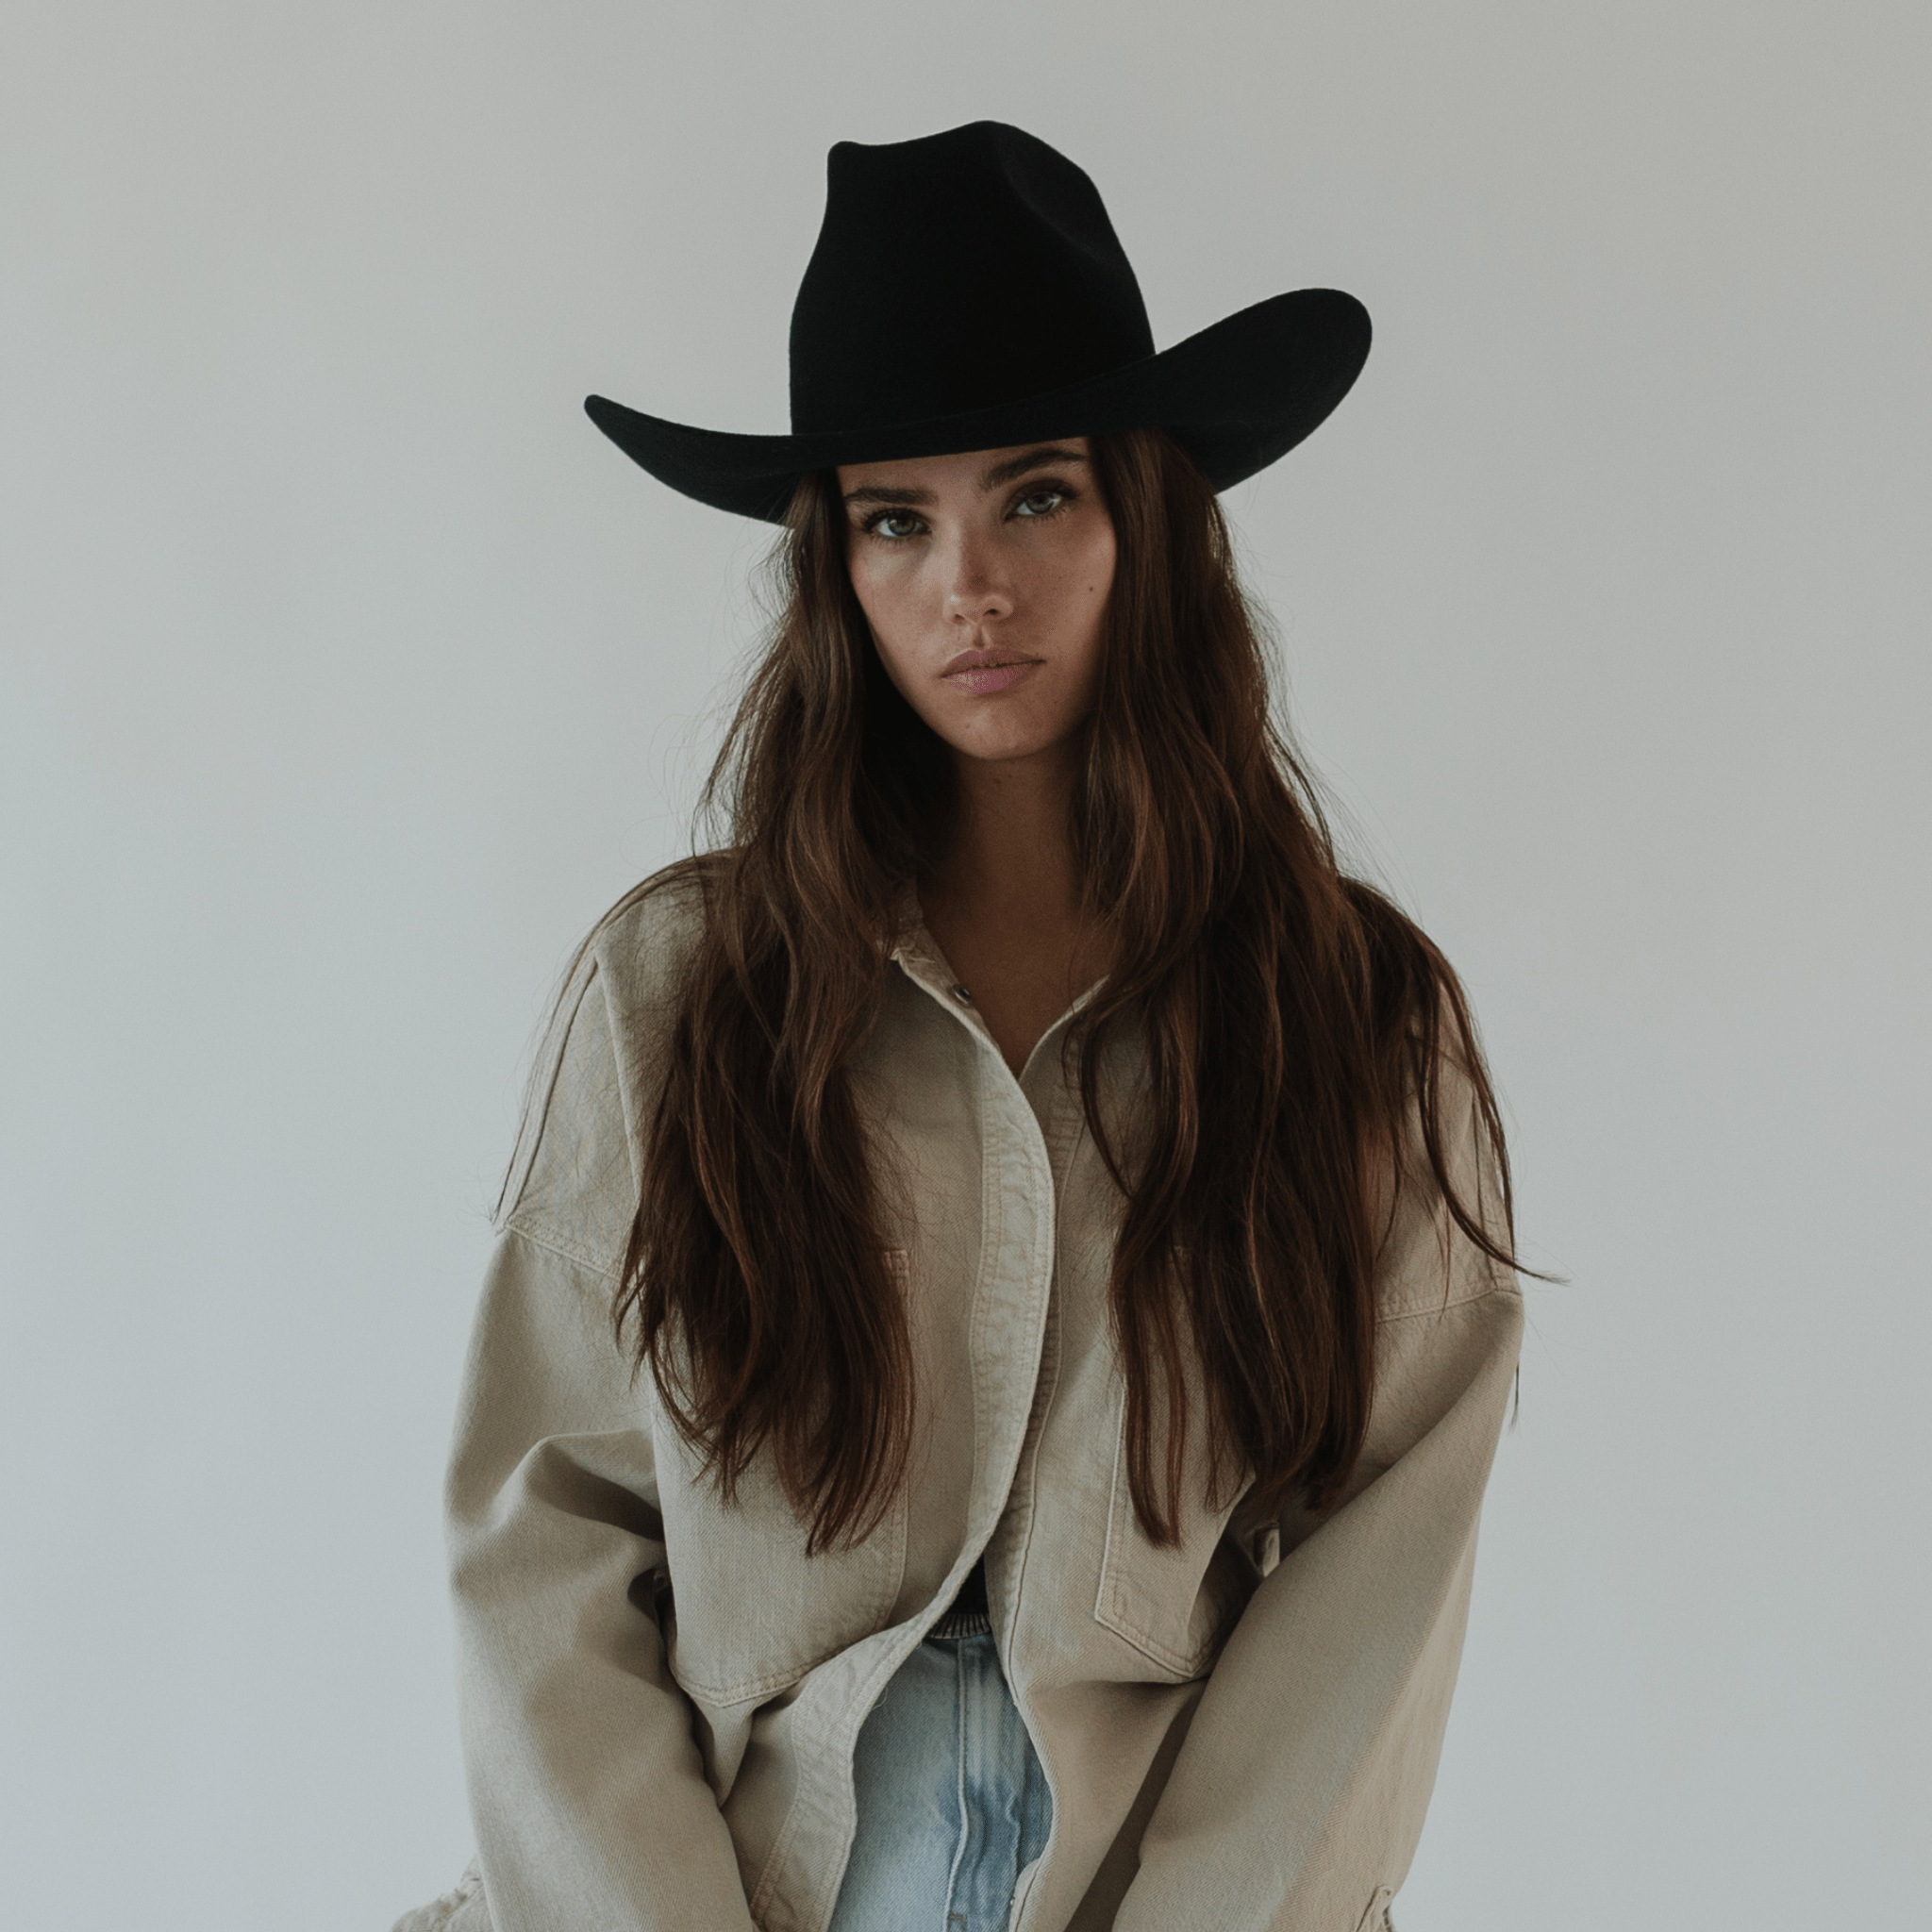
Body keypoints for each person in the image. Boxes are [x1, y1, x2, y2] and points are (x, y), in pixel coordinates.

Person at [393, 121, 1524, 1932]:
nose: (969, 587)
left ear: (1147, 516)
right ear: (835, 569)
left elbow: (1381, 1572)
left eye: (1037, 497)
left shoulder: (1352, 1022)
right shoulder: (680, 998)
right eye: (895, 520)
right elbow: (550, 1539)